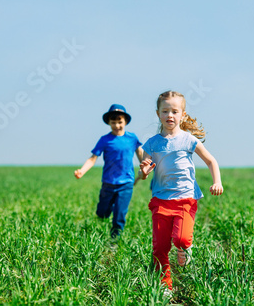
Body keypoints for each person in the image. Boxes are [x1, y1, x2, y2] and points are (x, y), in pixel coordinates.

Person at [140, 90, 223, 292]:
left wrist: (217, 181)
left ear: (182, 115)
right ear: (158, 113)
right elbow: (145, 169)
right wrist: (144, 170)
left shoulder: (188, 140)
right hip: (161, 199)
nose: (170, 115)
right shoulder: (151, 143)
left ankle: (184, 251)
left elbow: (211, 161)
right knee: (159, 248)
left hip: (185, 198)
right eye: (165, 111)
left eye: (175, 111)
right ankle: (165, 286)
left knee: (182, 240)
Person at [74, 104, 143, 239]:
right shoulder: (105, 140)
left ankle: (114, 241)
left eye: (120, 122)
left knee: (120, 214)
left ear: (125, 121)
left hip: (126, 182)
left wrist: (145, 166)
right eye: (113, 122)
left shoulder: (132, 138)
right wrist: (82, 171)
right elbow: (93, 158)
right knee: (102, 212)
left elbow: (141, 154)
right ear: (109, 123)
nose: (117, 125)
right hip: (108, 182)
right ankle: (105, 215)